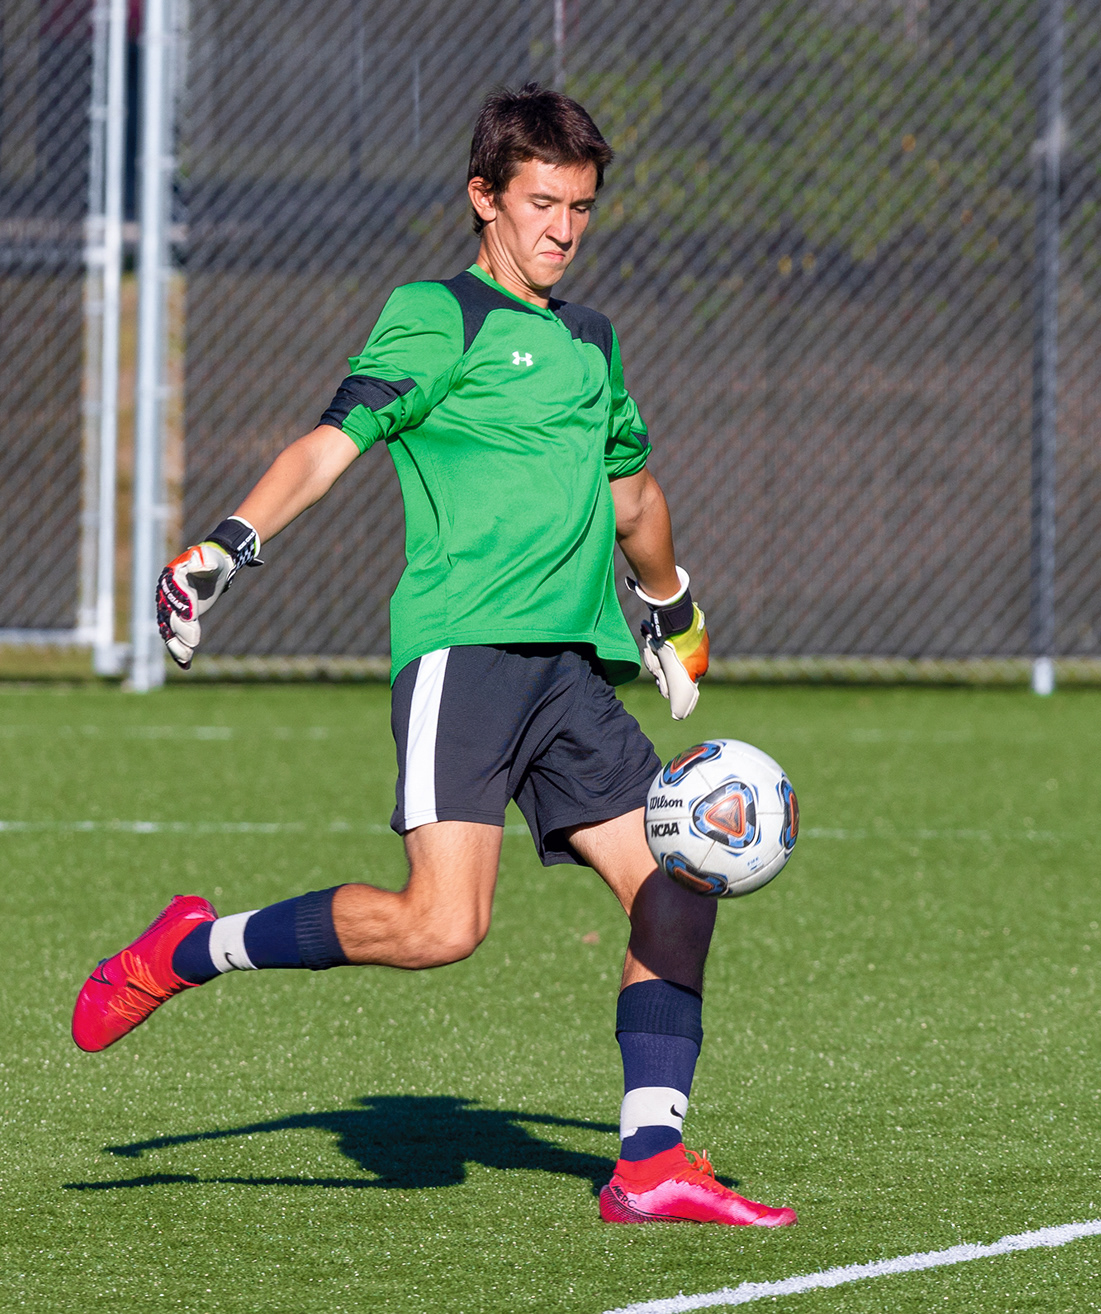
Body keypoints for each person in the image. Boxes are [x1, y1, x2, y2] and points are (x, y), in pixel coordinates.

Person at [70, 84, 793, 1228]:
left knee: (677, 889)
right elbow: (330, 445)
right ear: (484, 197)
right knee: (441, 927)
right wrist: (227, 544)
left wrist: (671, 606)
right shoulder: (437, 316)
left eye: (581, 207)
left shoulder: (592, 340)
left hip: (568, 672)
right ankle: (193, 948)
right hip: (466, 658)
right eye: (542, 203)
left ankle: (650, 1161)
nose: (563, 229)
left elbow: (633, 493)